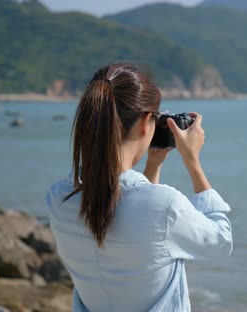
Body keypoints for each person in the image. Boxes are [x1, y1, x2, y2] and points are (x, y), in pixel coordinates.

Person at [44, 62, 233, 312]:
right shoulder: (165, 206)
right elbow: (220, 242)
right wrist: (193, 162)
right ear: (146, 123)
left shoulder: (59, 198)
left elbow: (136, 219)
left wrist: (153, 165)